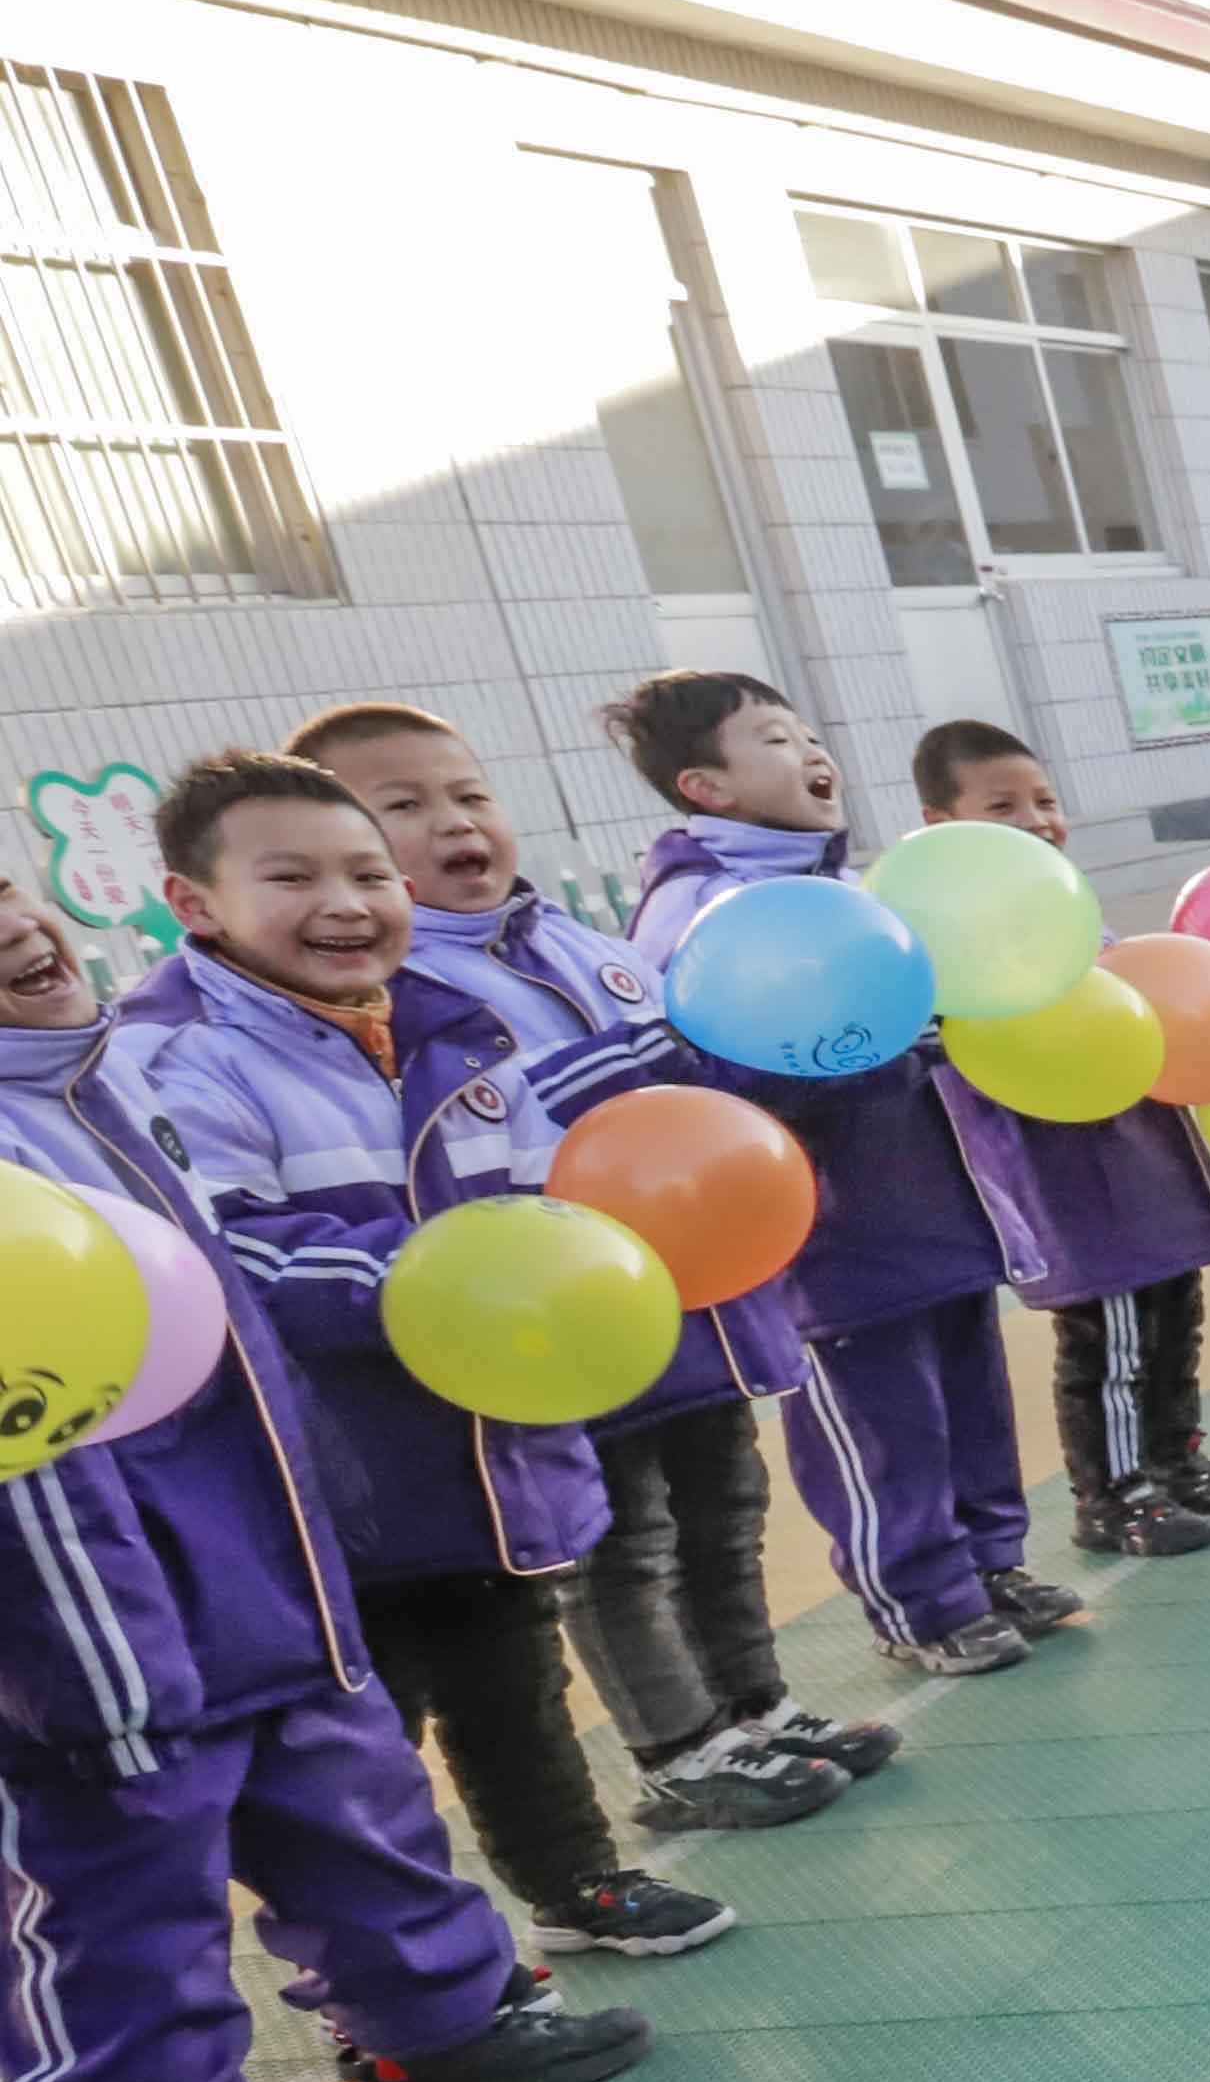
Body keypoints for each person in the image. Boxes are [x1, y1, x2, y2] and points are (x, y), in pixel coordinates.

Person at [1, 856, 652, 2082]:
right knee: (123, 1906)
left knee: (352, 1803)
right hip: (83, 1613)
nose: (20, 929)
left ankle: (434, 2025)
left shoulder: (109, 1084)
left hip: (264, 1561)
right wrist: (83, 1649)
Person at [127, 749, 739, 1967]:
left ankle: (577, 1882)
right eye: (291, 876)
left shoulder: (454, 1028)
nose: (347, 902)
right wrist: (432, 1281)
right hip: (330, 1481)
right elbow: (238, 1257)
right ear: (195, 903)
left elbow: (551, 1191)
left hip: (484, 1448)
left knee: (514, 1681)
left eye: (367, 870)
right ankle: (395, 1973)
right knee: (358, 1744)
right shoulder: (187, 1058)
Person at [289, 697, 884, 1833]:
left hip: (697, 1293)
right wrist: (601, 1085)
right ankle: (681, 1744)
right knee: (629, 1536)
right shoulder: (402, 993)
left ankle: (757, 1704)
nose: (452, 823)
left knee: (724, 1505)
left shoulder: (579, 942)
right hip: (574, 1314)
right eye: (401, 807)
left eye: (468, 796)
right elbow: (472, 1140)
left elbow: (697, 1087)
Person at [610, 675, 1080, 1678]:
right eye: (775, 737)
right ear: (708, 785)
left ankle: (992, 1563)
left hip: (936, 1202)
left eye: (810, 731)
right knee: (880, 1426)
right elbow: (711, 1066)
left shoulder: (860, 886)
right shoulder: (699, 909)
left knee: (970, 1403)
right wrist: (879, 1048)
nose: (812, 751)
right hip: (824, 1233)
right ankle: (918, 1597)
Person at [911, 723, 1210, 1565]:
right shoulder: (952, 934)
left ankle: (1176, 1457)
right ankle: (1112, 1496)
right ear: (943, 824)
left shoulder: (1064, 905)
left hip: (1134, 1146)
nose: (1036, 819)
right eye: (1003, 806)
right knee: (1106, 1334)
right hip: (1061, 1167)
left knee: (1171, 1311)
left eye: (1044, 800)